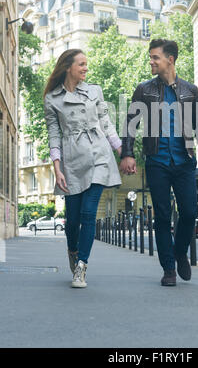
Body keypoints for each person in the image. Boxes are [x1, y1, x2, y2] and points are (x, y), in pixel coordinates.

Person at [120, 39, 198, 286]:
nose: (150, 61)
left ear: (169, 60)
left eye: (155, 57)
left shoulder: (190, 90)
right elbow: (131, 125)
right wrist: (127, 153)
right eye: (150, 57)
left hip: (184, 160)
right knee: (162, 215)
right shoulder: (144, 90)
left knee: (189, 212)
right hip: (157, 161)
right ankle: (168, 269)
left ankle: (179, 250)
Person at [44, 49, 122, 288]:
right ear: (68, 67)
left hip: (99, 154)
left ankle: (81, 267)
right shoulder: (52, 99)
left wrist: (123, 151)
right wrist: (57, 169)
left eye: (86, 64)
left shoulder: (94, 91)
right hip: (72, 161)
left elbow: (106, 124)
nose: (86, 68)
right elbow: (54, 135)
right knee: (73, 218)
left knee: (89, 214)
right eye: (82, 64)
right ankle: (72, 250)